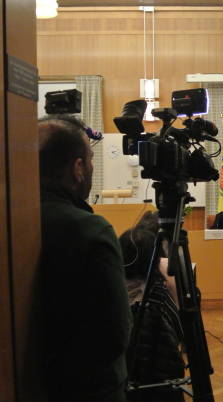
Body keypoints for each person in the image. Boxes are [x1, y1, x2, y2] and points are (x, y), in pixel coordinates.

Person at [39, 115, 131, 402]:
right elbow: (116, 335)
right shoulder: (90, 230)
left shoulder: (11, 221)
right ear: (78, 168)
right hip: (90, 388)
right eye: (91, 159)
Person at [119, 228, 185, 402]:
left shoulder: (109, 295)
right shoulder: (158, 297)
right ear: (155, 258)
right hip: (158, 390)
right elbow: (179, 337)